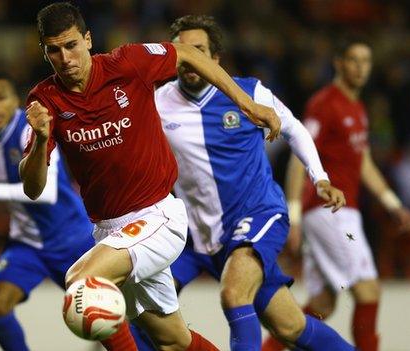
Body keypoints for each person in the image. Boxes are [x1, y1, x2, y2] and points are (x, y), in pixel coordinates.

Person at [19, 3, 282, 350]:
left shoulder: (126, 64)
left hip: (158, 217)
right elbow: (33, 187)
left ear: (87, 39)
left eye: (71, 45)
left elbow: (186, 53)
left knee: (82, 282)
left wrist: (245, 104)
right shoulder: (45, 100)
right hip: (111, 232)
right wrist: (39, 140)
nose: (65, 58)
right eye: (54, 50)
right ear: (44, 51)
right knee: (172, 340)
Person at [135, 15, 355, 351]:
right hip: (195, 232)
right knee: (288, 325)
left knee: (234, 293)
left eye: (199, 50)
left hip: (256, 214)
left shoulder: (249, 93)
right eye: (182, 51)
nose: (190, 59)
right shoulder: (157, 102)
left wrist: (320, 178)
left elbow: (295, 129)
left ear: (215, 59)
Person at [263, 37, 410, 351]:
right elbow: (297, 157)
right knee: (368, 291)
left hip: (342, 212)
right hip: (329, 210)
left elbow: (364, 163)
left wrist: (393, 204)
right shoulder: (325, 103)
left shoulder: (357, 108)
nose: (361, 68)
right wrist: (293, 217)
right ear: (339, 63)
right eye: (354, 60)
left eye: (366, 61)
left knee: (323, 303)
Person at [0, 71, 96, 351]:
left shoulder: (32, 130)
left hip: (72, 239)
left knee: (101, 317)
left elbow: (46, 192)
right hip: (27, 242)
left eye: (1, 98)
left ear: (15, 100)